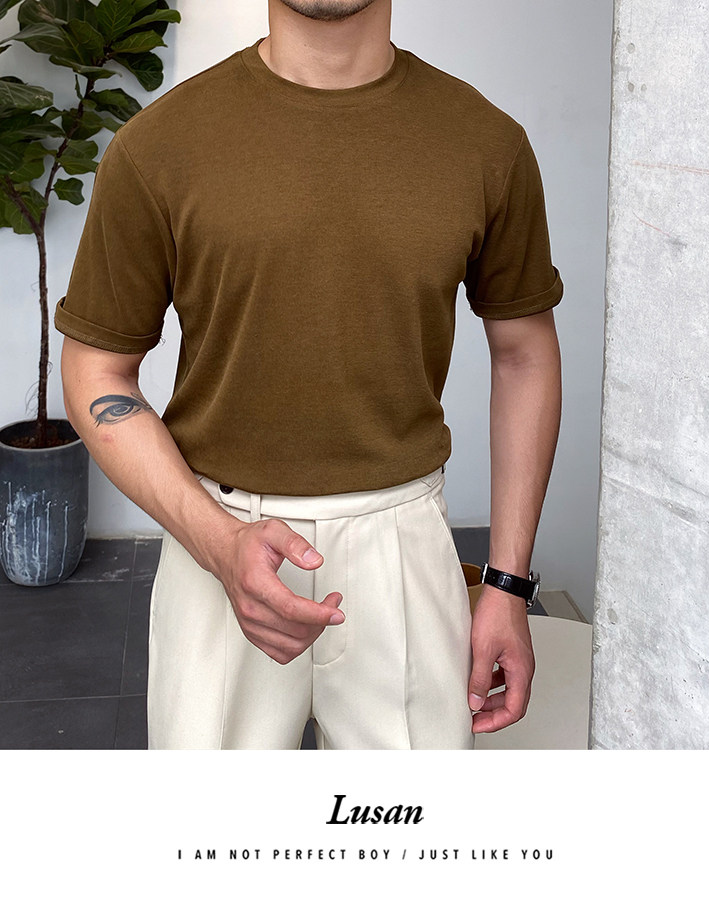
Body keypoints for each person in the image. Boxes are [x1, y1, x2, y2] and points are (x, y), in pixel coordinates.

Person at [55, 0, 563, 750]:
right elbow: (96, 368)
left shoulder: (487, 143)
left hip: (404, 547)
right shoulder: (158, 146)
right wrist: (215, 541)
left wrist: (509, 584)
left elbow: (524, 354)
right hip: (214, 540)